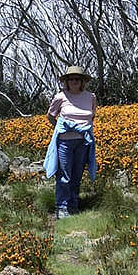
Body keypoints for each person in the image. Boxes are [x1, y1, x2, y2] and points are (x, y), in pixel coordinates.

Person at [43, 66, 97, 219]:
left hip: (83, 142)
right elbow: (50, 116)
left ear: (82, 82)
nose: (74, 81)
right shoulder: (60, 96)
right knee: (64, 175)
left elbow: (91, 116)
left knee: (77, 175)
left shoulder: (91, 97)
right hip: (65, 142)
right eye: (71, 79)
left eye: (77, 79)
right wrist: (61, 129)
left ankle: (74, 205)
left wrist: (81, 129)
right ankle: (62, 207)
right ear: (66, 81)